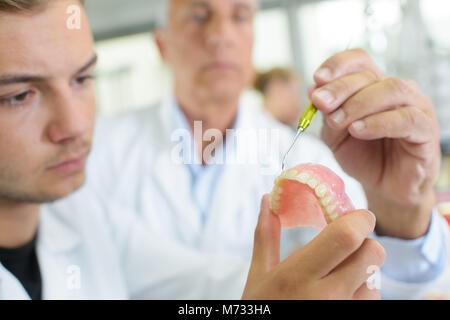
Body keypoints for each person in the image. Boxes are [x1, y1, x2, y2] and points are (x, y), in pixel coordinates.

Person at [0, 0, 386, 300]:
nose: (75, 127)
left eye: (83, 78)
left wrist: (398, 216)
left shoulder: (80, 216)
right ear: (161, 44)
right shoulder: (94, 168)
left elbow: (204, 285)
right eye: (19, 96)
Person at [73, 0, 449, 299]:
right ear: (161, 44)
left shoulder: (311, 160)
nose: (221, 35)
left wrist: (404, 212)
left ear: (253, 36)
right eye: (199, 15)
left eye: (239, 16)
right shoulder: (92, 155)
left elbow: (373, 285)